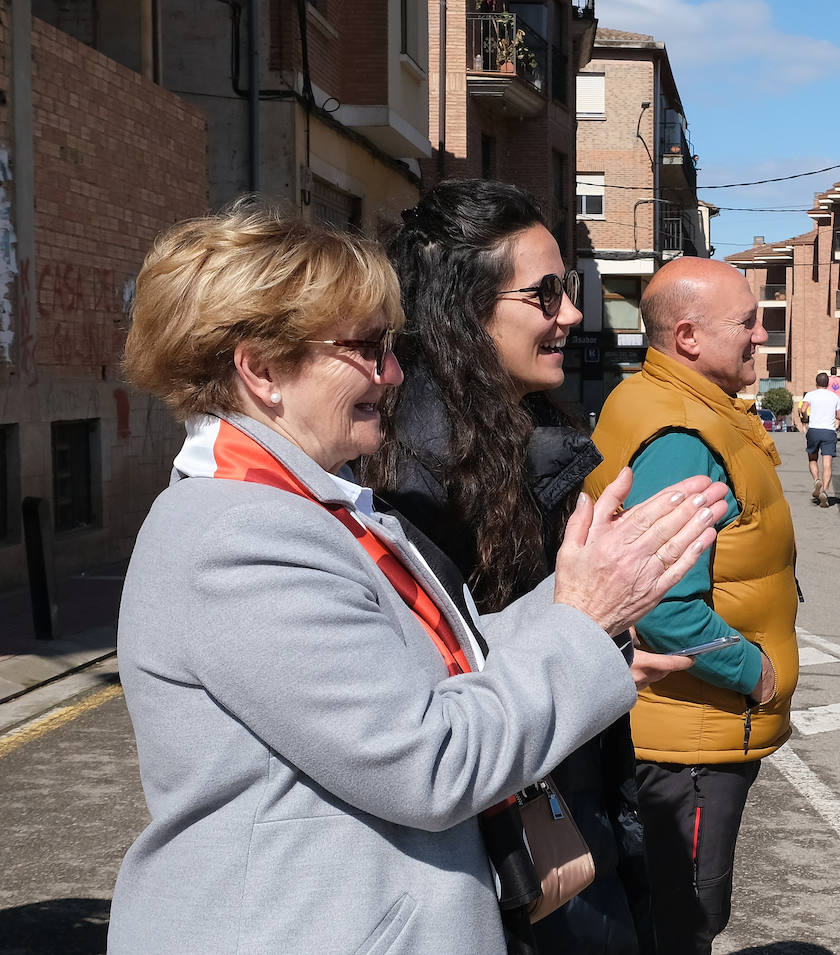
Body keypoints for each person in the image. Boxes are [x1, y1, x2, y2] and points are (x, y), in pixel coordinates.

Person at [109, 205, 729, 955]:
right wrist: (581, 622)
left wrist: (590, 607)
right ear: (262, 370)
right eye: (369, 349)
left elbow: (440, 665)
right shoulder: (236, 540)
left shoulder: (310, 502)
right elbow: (429, 759)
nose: (394, 372)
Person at [361, 179, 679, 954]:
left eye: (566, 289)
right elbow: (432, 682)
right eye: (545, 294)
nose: (570, 313)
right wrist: (583, 635)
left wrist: (607, 640)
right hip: (496, 842)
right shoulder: (415, 468)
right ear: (466, 311)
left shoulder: (515, 428)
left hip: (554, 798)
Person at [584, 257, 799, 955]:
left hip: (681, 734)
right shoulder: (682, 437)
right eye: (747, 322)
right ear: (688, 337)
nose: (761, 335)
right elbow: (666, 608)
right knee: (685, 926)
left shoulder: (658, 400)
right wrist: (757, 674)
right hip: (690, 743)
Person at [800, 371, 840, 507]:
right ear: (828, 384)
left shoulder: (810, 395)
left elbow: (803, 409)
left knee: (812, 459)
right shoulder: (835, 397)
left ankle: (816, 479)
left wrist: (806, 419)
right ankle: (824, 490)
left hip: (814, 430)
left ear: (816, 382)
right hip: (829, 432)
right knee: (828, 463)